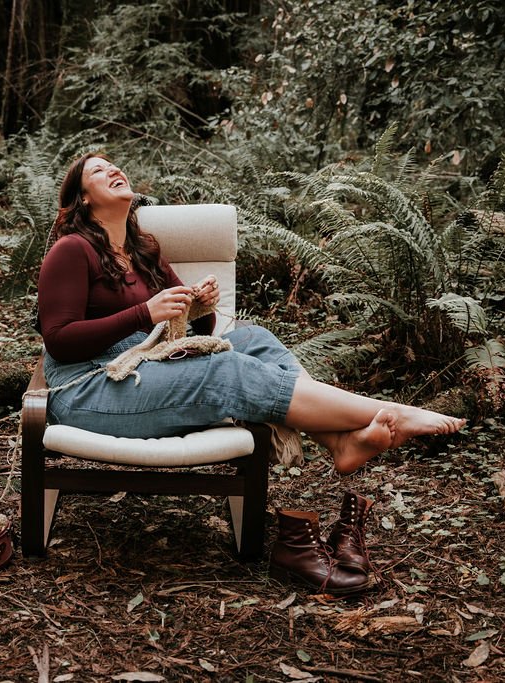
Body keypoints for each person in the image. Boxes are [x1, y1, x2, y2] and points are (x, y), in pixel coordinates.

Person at [36, 152, 466, 594]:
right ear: (83, 199)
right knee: (225, 371)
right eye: (97, 170)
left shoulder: (143, 250)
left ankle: (338, 443)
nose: (112, 169)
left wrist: (200, 306)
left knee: (254, 339)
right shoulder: (73, 250)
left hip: (147, 365)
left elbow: (198, 332)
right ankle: (387, 412)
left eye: (113, 164)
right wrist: (144, 312)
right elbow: (60, 339)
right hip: (90, 386)